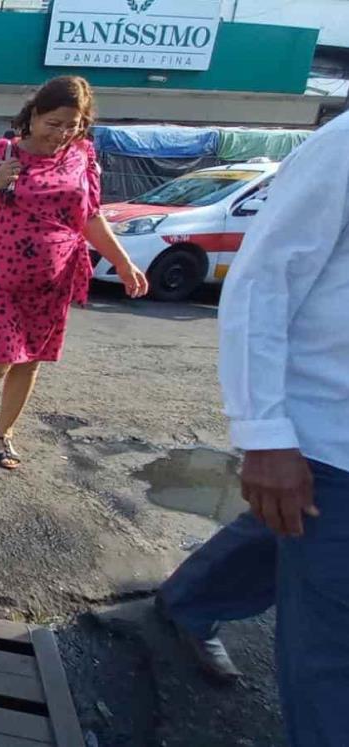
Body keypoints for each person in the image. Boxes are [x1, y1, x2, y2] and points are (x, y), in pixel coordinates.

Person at [155, 111, 349, 744]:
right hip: (332, 431)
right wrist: (264, 432)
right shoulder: (341, 148)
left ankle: (190, 601)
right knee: (333, 652)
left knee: (282, 532)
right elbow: (263, 283)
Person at [0, 76, 148, 469]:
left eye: (72, 125)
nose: (61, 134)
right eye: (53, 123)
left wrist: (124, 262)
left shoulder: (83, 158)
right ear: (34, 115)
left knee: (30, 360)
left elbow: (90, 217)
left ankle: (3, 433)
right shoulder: (3, 150)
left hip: (53, 282)